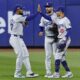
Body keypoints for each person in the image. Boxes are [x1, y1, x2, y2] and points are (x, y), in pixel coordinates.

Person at [9, 5, 39, 78]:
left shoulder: (15, 17)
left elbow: (24, 24)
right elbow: (29, 18)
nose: (23, 10)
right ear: (17, 10)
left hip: (19, 38)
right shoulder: (17, 17)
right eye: (21, 9)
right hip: (15, 38)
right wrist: (37, 13)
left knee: (25, 54)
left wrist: (24, 22)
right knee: (20, 55)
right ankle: (17, 73)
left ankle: (29, 72)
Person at [51, 7, 73, 78]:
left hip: (65, 39)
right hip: (60, 39)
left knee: (57, 55)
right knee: (62, 58)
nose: (56, 12)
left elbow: (69, 29)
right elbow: (49, 18)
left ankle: (56, 73)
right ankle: (69, 72)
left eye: (57, 11)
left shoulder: (66, 20)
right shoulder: (58, 19)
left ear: (61, 12)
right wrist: (41, 13)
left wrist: (65, 39)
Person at [38, 3, 58, 78]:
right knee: (47, 56)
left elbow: (50, 19)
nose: (47, 8)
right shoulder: (43, 17)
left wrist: (41, 13)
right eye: (46, 7)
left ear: (52, 8)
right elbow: (41, 25)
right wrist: (41, 31)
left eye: (48, 7)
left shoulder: (55, 15)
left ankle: (57, 72)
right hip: (47, 38)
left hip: (55, 38)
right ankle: (48, 72)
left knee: (56, 55)